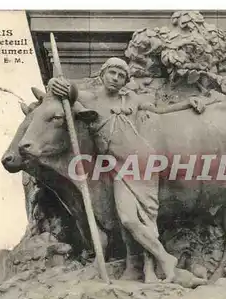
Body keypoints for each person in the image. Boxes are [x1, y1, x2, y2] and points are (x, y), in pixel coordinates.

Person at [49, 57, 180, 283]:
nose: (116, 79)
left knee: (146, 218)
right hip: (119, 168)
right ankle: (166, 259)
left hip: (142, 163)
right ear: (103, 74)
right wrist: (53, 84)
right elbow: (66, 90)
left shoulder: (132, 98)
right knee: (129, 220)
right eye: (112, 73)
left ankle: (150, 272)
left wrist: (191, 104)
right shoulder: (90, 99)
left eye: (121, 76)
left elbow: (161, 110)